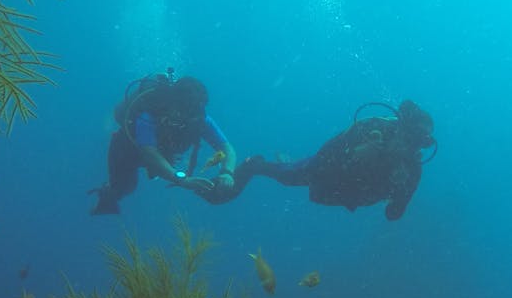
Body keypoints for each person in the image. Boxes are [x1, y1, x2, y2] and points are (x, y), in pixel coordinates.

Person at [218, 100, 435, 220]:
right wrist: (357, 153)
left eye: (418, 144)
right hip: (325, 172)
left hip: (347, 195)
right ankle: (254, 164)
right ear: (398, 129)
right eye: (408, 139)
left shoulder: (412, 170)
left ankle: (288, 161)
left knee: (291, 171)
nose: (410, 148)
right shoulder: (371, 131)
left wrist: (400, 192)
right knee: (287, 176)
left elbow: (393, 215)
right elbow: (326, 154)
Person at [91, 71, 237, 215]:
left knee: (156, 170)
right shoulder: (149, 114)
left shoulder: (199, 119)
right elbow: (149, 152)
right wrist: (181, 179)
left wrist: (227, 172)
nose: (184, 116)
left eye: (190, 112)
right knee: (125, 187)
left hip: (161, 152)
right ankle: (107, 193)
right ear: (171, 101)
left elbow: (226, 147)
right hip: (127, 150)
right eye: (181, 110)